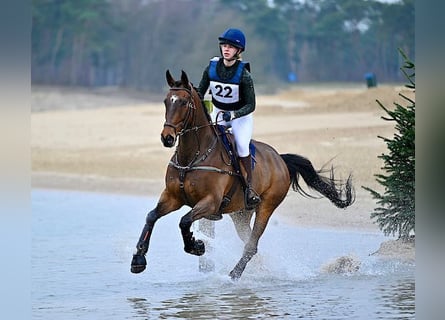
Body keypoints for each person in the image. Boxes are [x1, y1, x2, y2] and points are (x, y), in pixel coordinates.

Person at [197, 28, 260, 209]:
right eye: (224, 45)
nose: (226, 49)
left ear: (238, 51)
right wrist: (205, 111)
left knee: (241, 145)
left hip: (240, 115)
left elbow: (251, 105)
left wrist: (233, 115)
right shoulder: (211, 68)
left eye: (231, 47)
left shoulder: (244, 75)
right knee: (208, 141)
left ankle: (250, 188)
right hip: (218, 111)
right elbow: (201, 93)